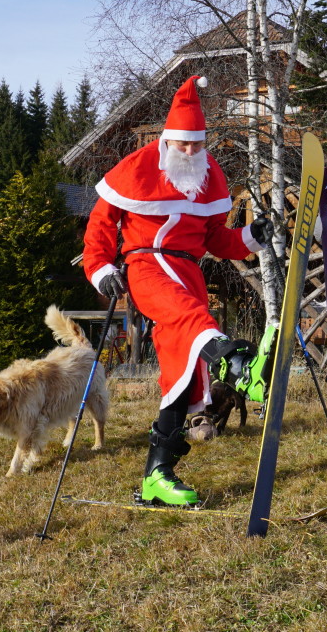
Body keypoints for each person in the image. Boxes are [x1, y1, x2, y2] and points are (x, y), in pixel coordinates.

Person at [83, 75, 274, 506]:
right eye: (181, 144)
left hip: (189, 275)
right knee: (192, 321)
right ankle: (239, 365)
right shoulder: (136, 169)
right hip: (146, 265)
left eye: (196, 145)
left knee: (181, 373)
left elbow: (216, 241)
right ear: (167, 140)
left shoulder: (209, 176)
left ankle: (157, 476)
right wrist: (100, 268)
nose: (189, 152)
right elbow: (100, 223)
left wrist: (252, 236)